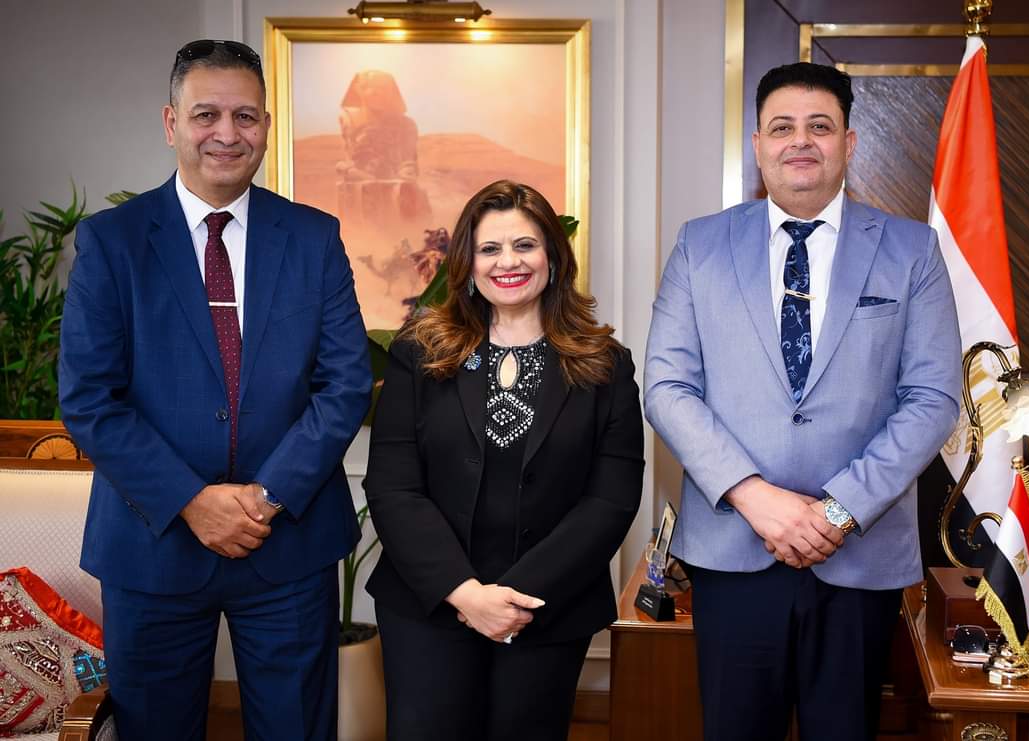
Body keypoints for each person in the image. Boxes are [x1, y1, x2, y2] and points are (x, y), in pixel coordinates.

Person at [58, 39, 372, 740]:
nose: (227, 134)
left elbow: (346, 383)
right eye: (206, 114)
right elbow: (89, 399)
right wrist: (192, 502)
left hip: (287, 542)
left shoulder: (315, 238)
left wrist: (266, 497)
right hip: (152, 543)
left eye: (245, 116)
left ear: (266, 126)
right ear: (171, 122)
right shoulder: (112, 241)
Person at [644, 62, 962, 741]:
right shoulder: (700, 245)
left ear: (849, 143)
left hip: (858, 553)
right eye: (783, 127)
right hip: (734, 546)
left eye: (820, 126)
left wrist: (837, 510)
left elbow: (932, 397)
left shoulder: (912, 250)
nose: (801, 141)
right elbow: (668, 387)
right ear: (758, 144)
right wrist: (756, 496)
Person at [364, 180, 644, 740]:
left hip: (548, 608)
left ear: (553, 257)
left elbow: (610, 500)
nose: (507, 262)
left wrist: (515, 599)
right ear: (467, 264)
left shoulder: (604, 363)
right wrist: (465, 594)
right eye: (489, 249)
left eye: (525, 245)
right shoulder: (420, 352)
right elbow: (394, 486)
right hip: (430, 604)